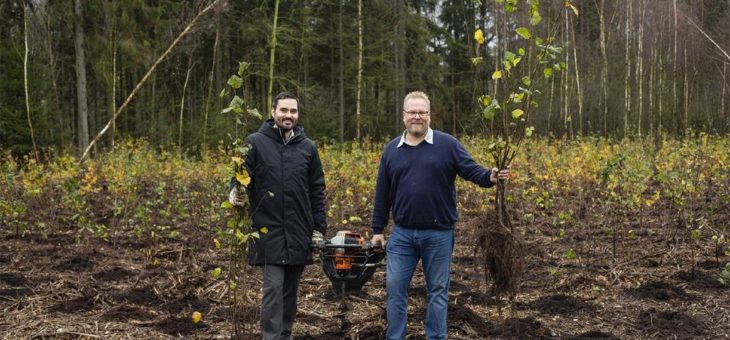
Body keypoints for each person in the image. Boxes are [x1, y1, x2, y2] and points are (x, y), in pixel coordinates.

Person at [370, 91, 509, 340]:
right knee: (395, 289)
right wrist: (377, 230)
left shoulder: (447, 144)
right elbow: (383, 193)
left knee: (436, 291)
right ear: (404, 116)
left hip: (439, 233)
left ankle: (435, 337)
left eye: (422, 112)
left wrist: (491, 176)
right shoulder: (391, 150)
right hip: (402, 234)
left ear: (429, 115)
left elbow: (471, 170)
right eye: (412, 112)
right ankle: (395, 337)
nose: (417, 116)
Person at [229, 91, 326, 340]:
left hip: (298, 230)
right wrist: (234, 192)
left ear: (297, 115)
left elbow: (317, 190)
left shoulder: (308, 148)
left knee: (290, 291)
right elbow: (240, 177)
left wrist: (319, 229)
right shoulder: (255, 142)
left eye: (293, 111)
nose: (288, 115)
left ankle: (285, 334)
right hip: (267, 228)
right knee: (273, 286)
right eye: (283, 110)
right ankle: (271, 337)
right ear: (273, 112)